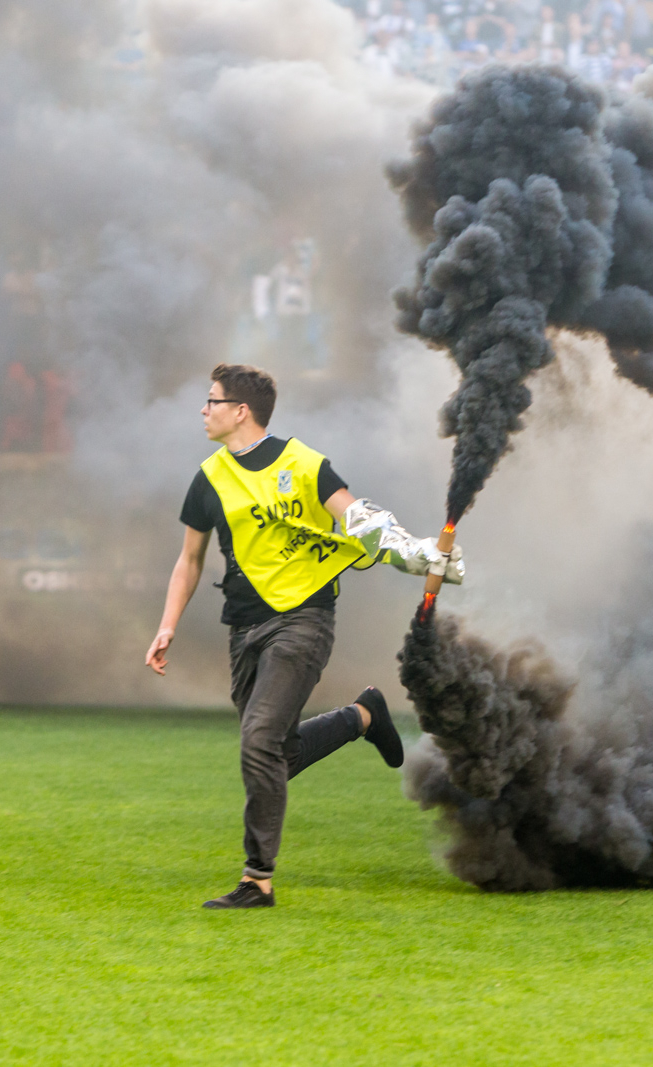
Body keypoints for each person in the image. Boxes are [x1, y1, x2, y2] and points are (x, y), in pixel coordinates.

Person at [146, 363, 465, 910]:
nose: (203, 409)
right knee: (277, 754)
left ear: (240, 411)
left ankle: (257, 881)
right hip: (243, 628)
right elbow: (189, 560)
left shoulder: (305, 464)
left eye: (212, 401)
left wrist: (416, 553)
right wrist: (167, 624)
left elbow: (361, 519)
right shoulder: (208, 479)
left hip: (304, 621)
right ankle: (363, 716)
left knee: (258, 743)